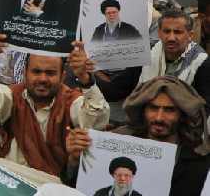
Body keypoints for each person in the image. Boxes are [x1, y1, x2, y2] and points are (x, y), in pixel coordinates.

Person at [0, 31, 109, 176]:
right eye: (36, 71)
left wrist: (85, 79)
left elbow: (96, 121)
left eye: (50, 73)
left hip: (50, 187)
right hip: (9, 179)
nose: (42, 79)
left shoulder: (71, 101)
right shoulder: (13, 97)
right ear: (25, 73)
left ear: (62, 76)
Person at [64, 77, 210, 196]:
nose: (159, 117)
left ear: (182, 115)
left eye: (169, 110)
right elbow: (75, 187)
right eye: (153, 108)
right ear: (142, 110)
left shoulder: (197, 161)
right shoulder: (115, 142)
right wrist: (74, 160)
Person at [138, 9, 210, 103]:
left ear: (190, 35)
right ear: (159, 33)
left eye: (177, 32)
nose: (171, 38)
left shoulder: (202, 63)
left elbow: (204, 106)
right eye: (167, 31)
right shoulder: (150, 52)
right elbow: (124, 84)